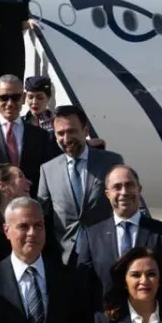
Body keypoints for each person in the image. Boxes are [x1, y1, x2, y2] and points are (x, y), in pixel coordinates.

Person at [76, 164, 162, 307]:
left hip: (151, 317)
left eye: (129, 185)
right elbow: (84, 288)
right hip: (108, 318)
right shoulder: (91, 236)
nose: (124, 192)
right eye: (117, 187)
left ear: (139, 189)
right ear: (107, 194)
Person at [37, 105, 124, 266]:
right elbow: (42, 215)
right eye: (60, 133)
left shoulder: (111, 162)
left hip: (106, 254)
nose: (66, 138)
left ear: (85, 131)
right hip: (66, 260)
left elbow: (126, 204)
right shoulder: (47, 170)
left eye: (72, 131)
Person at [0, 75, 58, 188]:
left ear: (23, 98)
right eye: (4, 97)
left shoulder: (42, 136)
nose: (10, 103)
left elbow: (48, 176)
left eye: (15, 97)